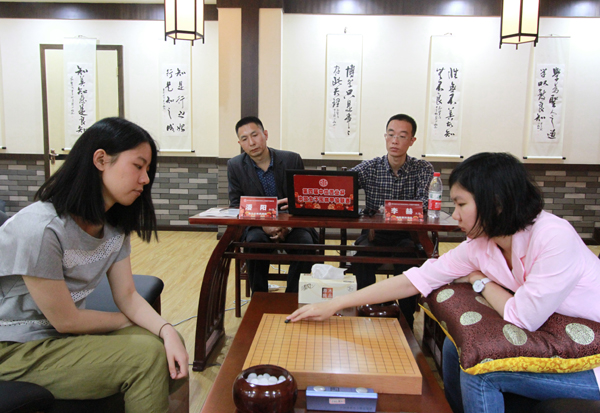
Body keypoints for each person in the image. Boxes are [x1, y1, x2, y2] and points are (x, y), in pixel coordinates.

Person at [288, 152, 600, 413]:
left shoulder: (552, 236)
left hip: (590, 363)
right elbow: (415, 279)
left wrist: (479, 280)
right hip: (551, 337)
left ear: (496, 203)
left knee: (481, 373)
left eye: (461, 205)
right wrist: (336, 304)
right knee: (455, 346)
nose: (455, 215)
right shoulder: (481, 243)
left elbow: (524, 316)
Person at [0, 117, 188, 413]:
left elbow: (127, 295)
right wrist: (130, 322)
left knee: (170, 341)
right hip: (14, 347)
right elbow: (67, 321)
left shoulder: (113, 227)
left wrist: (165, 329)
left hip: (58, 337)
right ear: (101, 160)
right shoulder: (41, 228)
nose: (145, 179)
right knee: (146, 356)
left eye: (148, 170)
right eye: (138, 166)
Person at [350, 114, 433, 328]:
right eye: (391, 134)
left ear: (412, 141)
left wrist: (383, 209)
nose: (395, 141)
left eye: (402, 136)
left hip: (407, 234)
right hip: (374, 234)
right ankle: (366, 311)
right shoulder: (370, 167)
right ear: (385, 137)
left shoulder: (422, 168)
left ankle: (405, 320)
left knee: (408, 262)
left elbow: (424, 203)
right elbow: (343, 185)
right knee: (361, 259)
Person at [227, 116, 317, 294]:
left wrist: (286, 226)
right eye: (244, 139)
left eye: (255, 135)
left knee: (305, 243)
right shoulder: (235, 166)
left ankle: (291, 298)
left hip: (292, 224)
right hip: (257, 225)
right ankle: (260, 297)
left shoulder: (292, 160)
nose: (251, 142)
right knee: (254, 242)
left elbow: (303, 200)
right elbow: (236, 205)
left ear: (265, 134)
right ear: (240, 143)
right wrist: (264, 225)